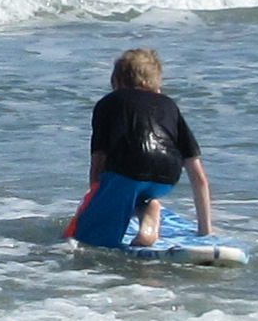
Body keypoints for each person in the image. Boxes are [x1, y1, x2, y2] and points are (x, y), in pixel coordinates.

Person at [70, 45, 211, 248]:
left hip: (126, 173)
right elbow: (199, 176)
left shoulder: (109, 102)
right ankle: (149, 207)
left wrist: (99, 203)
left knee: (87, 241)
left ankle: (148, 219)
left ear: (117, 80)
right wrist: (205, 231)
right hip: (166, 178)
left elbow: (98, 161)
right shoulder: (170, 105)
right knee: (136, 191)